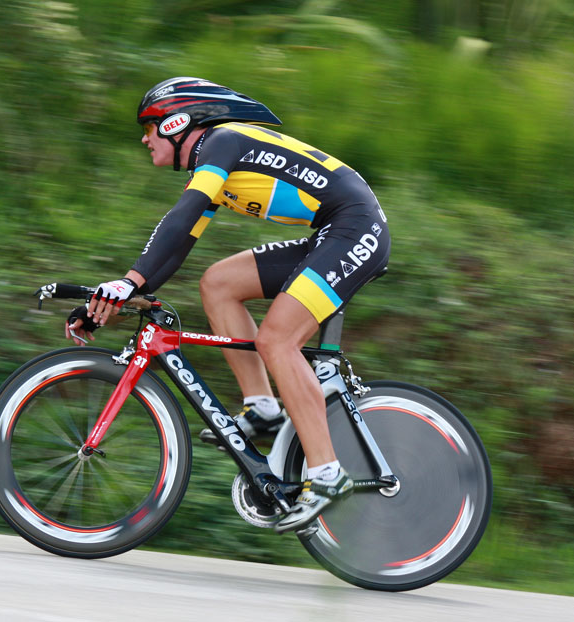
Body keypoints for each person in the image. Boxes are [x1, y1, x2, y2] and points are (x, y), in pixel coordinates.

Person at [67, 77, 390, 532]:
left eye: (149, 127)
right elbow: (176, 243)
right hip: (333, 232)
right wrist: (125, 290)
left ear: (177, 123)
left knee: (277, 340)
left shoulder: (222, 142)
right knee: (219, 283)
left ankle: (326, 474)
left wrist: (127, 282)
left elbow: (181, 216)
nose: (144, 138)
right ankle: (263, 407)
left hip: (354, 230)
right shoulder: (215, 164)